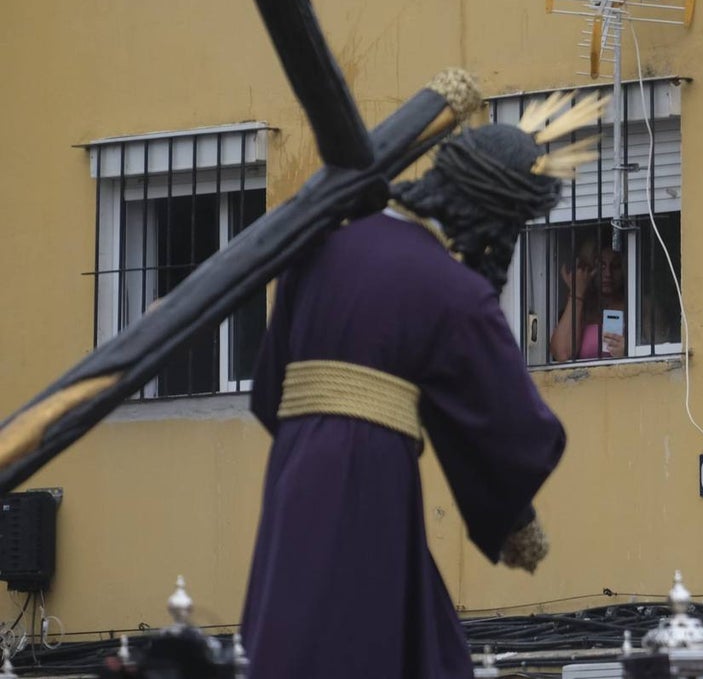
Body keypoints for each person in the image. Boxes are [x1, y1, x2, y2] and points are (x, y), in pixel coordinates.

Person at [239, 95, 603, 679]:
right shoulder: (453, 290)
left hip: (291, 473)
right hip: (370, 476)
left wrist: (314, 437)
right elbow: (506, 424)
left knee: (359, 637)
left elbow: (268, 391)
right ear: (497, 214)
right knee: (363, 644)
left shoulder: (319, 243)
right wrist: (516, 521)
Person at [549, 232, 627, 361]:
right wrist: (576, 293)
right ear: (589, 268)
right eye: (601, 266)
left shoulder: (639, 307)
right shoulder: (580, 310)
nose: (608, 273)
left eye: (616, 266)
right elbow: (562, 354)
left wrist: (629, 351)